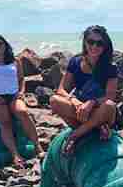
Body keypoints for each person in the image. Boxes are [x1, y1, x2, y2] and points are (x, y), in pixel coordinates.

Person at [49, 25, 118, 155]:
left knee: (109, 105)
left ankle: (76, 135)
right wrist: (74, 100)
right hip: (80, 111)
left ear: (105, 46)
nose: (94, 46)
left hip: (100, 112)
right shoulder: (75, 62)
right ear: (85, 42)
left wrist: (92, 102)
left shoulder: (110, 67)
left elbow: (110, 97)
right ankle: (95, 128)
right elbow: (61, 89)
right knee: (54, 100)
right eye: (91, 42)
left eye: (99, 43)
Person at [0, 34, 42, 167]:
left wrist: (21, 92)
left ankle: (37, 146)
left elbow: (21, 79)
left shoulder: (15, 61)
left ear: (5, 45)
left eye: (0, 44)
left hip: (13, 96)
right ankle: (15, 154)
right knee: (5, 122)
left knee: (23, 113)